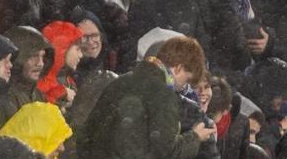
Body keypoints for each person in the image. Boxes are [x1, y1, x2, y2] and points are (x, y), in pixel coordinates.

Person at [77, 36, 216, 158]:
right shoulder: (164, 95)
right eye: (186, 81)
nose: (182, 88)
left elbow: (86, 136)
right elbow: (166, 152)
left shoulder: (119, 82)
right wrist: (195, 137)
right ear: (178, 68)